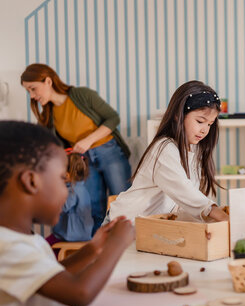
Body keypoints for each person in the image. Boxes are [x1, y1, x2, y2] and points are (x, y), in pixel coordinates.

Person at [0, 121, 134, 306]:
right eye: (63, 179)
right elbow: (78, 293)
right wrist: (118, 244)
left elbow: (50, 277)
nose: (67, 189)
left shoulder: (24, 240)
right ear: (31, 181)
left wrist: (93, 249)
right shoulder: (6, 247)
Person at [21, 63, 132, 234]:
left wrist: (89, 140)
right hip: (84, 160)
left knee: (123, 200)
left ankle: (128, 245)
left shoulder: (81, 95)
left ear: (48, 81)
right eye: (28, 91)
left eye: (33, 89)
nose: (32, 95)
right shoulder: (49, 115)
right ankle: (98, 250)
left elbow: (112, 118)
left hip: (109, 152)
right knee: (94, 206)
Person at [107, 80, 229, 223]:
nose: (205, 130)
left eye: (210, 124)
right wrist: (221, 216)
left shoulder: (193, 150)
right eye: (200, 121)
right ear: (178, 116)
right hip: (122, 226)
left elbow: (184, 203)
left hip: (150, 228)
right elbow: (185, 192)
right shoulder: (164, 148)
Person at [45, 150, 94, 249]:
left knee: (44, 246)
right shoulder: (81, 188)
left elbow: (62, 208)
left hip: (71, 235)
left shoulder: (71, 190)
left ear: (67, 174)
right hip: (83, 233)